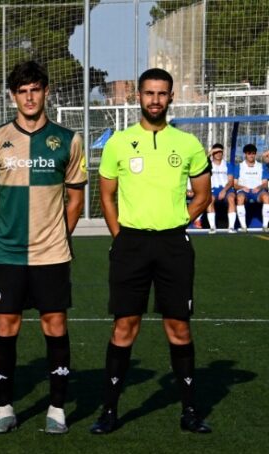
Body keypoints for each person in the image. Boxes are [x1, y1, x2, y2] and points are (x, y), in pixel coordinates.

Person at [91, 68, 212, 434]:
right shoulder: (119, 143)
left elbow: (203, 194)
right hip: (131, 244)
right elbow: (107, 196)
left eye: (162, 93)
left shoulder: (188, 144)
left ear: (170, 97)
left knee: (178, 327)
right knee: (124, 326)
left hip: (173, 245)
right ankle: (109, 412)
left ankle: (190, 412)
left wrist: (178, 221)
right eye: (149, 93)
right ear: (138, 97)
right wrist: (119, 236)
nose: (155, 100)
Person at [0, 61, 87, 435]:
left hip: (52, 255)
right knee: (6, 326)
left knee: (54, 325)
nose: (29, 97)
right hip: (8, 254)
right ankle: (4, 407)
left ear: (46, 92)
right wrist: (1, 235)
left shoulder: (68, 140)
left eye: (35, 89)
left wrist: (59, 236)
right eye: (22, 91)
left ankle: (56, 408)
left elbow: (75, 200)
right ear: (12, 96)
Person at [233, 144, 269, 232]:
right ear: (245, 154)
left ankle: (265, 226)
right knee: (240, 197)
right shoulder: (239, 166)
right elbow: (235, 184)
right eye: (249, 153)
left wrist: (259, 187)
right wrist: (243, 187)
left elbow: (265, 183)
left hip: (258, 192)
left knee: (266, 197)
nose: (251, 155)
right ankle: (243, 226)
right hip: (244, 192)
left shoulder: (261, 166)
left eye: (253, 153)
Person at [204, 143, 236, 233]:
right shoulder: (207, 164)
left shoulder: (228, 165)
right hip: (213, 190)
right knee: (209, 200)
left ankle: (231, 227)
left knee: (231, 198)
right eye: (216, 152)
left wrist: (224, 190)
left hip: (226, 189)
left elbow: (230, 181)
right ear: (213, 153)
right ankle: (212, 227)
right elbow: (200, 160)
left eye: (220, 152)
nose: (218, 154)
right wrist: (210, 152)